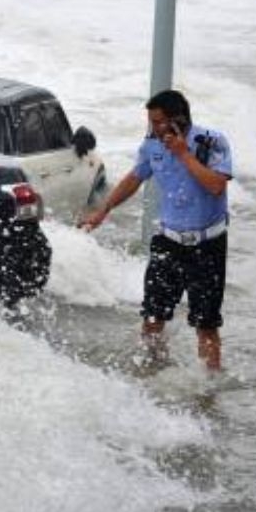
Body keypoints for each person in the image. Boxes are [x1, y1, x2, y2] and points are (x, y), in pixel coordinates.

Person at [79, 90, 234, 372]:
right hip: (168, 240)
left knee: (206, 325)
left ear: (179, 120)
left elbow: (215, 185)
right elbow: (134, 178)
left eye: (158, 122)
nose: (153, 128)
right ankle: (152, 371)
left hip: (208, 244)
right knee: (152, 317)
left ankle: (210, 388)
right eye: (150, 122)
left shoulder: (212, 142)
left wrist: (183, 154)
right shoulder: (152, 146)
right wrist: (104, 209)